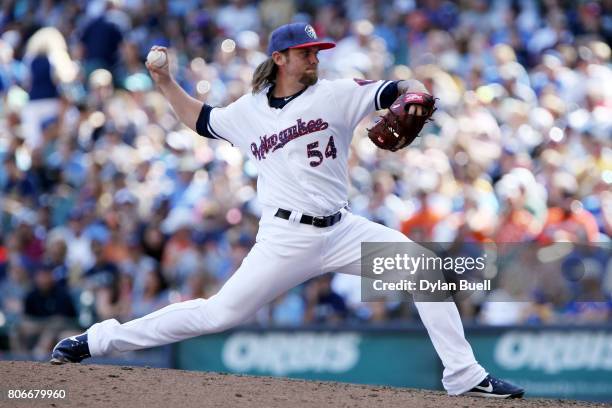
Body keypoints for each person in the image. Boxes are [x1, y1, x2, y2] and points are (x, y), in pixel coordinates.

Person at [51, 22, 523, 399]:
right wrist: (165, 81)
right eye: (306, 52)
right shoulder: (249, 110)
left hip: (343, 230)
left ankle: (463, 375)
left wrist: (416, 94)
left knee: (423, 267)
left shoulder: (335, 93)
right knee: (218, 315)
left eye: (317, 51)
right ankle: (99, 340)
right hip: (284, 238)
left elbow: (400, 86)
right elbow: (200, 119)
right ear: (279, 59)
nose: (315, 58)